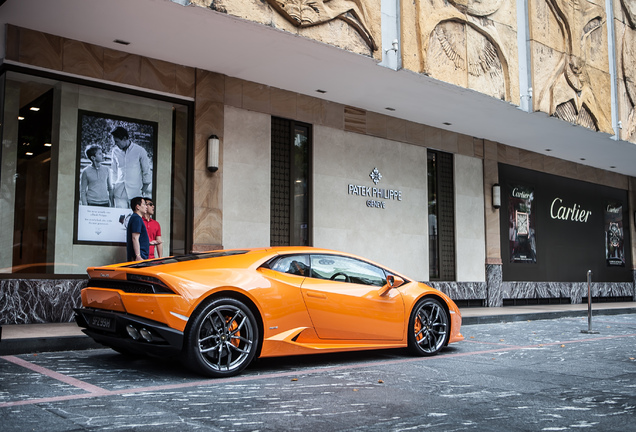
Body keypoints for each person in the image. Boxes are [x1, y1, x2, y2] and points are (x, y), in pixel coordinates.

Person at [110, 126, 152, 208]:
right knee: (120, 219)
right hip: (119, 193)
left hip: (135, 193)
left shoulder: (140, 151)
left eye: (117, 141)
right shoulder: (115, 151)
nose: (115, 144)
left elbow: (146, 171)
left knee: (134, 219)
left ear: (125, 138)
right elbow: (114, 171)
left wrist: (142, 191)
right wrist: (113, 188)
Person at [126, 196, 149, 262]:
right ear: (137, 207)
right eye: (144, 204)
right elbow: (135, 238)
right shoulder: (137, 219)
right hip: (139, 258)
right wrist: (138, 256)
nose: (146, 207)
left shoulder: (135, 218)